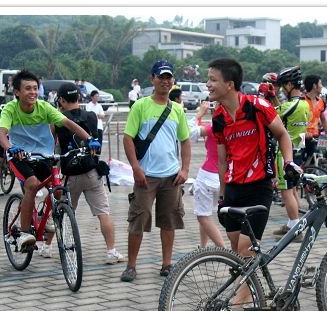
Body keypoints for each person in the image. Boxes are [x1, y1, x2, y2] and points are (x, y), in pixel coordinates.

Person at [208, 57, 295, 311]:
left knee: (245, 250)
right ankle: (252, 293)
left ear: (229, 84)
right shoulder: (218, 117)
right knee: (240, 255)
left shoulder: (258, 106)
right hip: (233, 189)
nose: (208, 84)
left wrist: (290, 164)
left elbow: (283, 135)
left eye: (213, 80)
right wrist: (222, 193)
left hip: (259, 187)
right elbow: (222, 158)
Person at [0, 70, 100, 253]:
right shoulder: (10, 109)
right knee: (32, 184)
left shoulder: (44, 107)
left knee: (58, 190)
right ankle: (24, 232)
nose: (33, 92)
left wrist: (89, 139)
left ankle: (47, 216)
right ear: (17, 92)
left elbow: (69, 124)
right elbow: (2, 133)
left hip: (44, 155)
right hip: (19, 156)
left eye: (35, 88)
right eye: (27, 88)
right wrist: (9, 147)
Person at [122, 60, 191, 282]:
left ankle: (167, 264)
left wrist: (185, 169)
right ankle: (131, 265)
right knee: (138, 219)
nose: (165, 81)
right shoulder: (141, 106)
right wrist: (135, 168)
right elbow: (128, 138)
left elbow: (186, 141)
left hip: (171, 177)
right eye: (161, 77)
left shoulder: (177, 109)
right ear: (152, 78)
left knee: (169, 220)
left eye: (169, 77)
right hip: (146, 176)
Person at [55, 82, 125, 264]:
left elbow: (51, 143)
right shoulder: (91, 116)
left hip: (70, 174)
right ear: (79, 97)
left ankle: (48, 247)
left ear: (61, 100)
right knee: (103, 212)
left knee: (64, 212)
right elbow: (97, 139)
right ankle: (111, 251)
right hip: (91, 172)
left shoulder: (57, 119)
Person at [272, 66, 310, 241]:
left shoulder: (290, 105)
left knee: (285, 190)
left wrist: (269, 97)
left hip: (284, 153)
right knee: (292, 188)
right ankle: (292, 223)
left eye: (282, 86)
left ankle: (295, 229)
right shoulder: (304, 104)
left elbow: (272, 115)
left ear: (289, 85)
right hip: (298, 150)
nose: (281, 89)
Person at [191, 101, 225, 248]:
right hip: (224, 177)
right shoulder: (231, 126)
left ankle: (223, 249)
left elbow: (190, 133)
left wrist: (199, 114)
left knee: (203, 216)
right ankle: (203, 246)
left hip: (207, 176)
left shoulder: (212, 128)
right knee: (206, 213)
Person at [303, 74, 327, 164]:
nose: (322, 86)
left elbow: (323, 119)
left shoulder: (321, 101)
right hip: (303, 137)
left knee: (315, 162)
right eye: (320, 83)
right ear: (314, 86)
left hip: (316, 137)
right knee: (301, 162)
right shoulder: (302, 100)